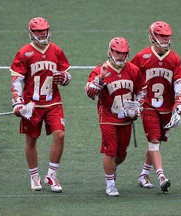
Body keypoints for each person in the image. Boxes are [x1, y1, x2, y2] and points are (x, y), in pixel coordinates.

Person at [10, 17, 72, 192]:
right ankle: (34, 175)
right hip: (32, 104)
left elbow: (66, 74)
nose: (42, 33)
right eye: (38, 31)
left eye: (44, 30)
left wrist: (64, 78)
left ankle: (51, 175)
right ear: (31, 32)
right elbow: (17, 80)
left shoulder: (56, 50)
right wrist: (17, 101)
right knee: (31, 140)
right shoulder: (24, 53)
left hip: (53, 101)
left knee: (60, 135)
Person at [130, 21, 181, 193]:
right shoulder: (142, 57)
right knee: (153, 141)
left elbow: (179, 84)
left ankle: (143, 174)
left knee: (158, 141)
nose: (165, 39)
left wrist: (179, 104)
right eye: (162, 36)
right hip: (148, 106)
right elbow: (130, 76)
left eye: (167, 36)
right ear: (153, 36)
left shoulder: (174, 59)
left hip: (167, 108)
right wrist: (131, 101)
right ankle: (161, 176)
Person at [85, 37, 146, 197]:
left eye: (124, 53)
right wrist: (101, 78)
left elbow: (142, 92)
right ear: (110, 51)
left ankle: (112, 168)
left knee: (121, 154)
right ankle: (110, 184)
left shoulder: (133, 70)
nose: (121, 56)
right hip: (108, 117)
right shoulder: (101, 69)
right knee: (110, 152)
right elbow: (89, 91)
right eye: (118, 53)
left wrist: (137, 107)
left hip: (125, 119)